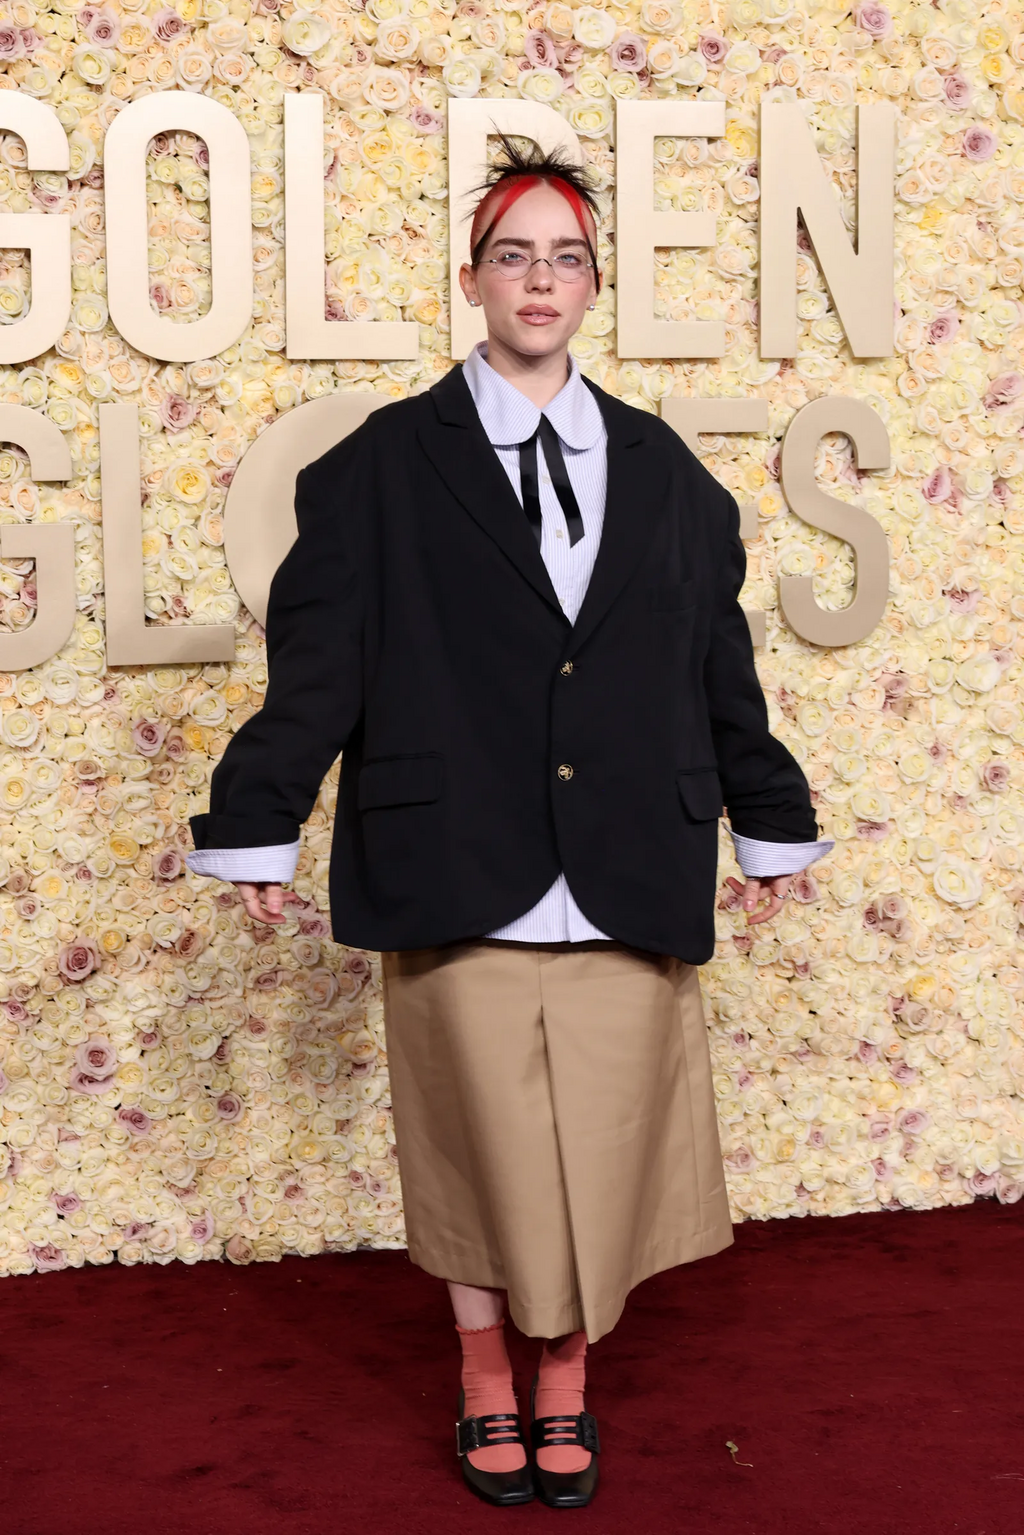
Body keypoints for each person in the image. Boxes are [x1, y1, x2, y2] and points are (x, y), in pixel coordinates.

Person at [187, 138, 832, 1510]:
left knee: (600, 1142)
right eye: (514, 253)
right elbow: (318, 665)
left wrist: (770, 821)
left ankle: (568, 1380)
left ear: (594, 284)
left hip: (629, 863)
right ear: (473, 277)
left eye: (568, 256)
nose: (541, 278)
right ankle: (488, 1371)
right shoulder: (376, 471)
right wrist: (257, 820)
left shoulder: (669, 477)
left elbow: (716, 668)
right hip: (451, 856)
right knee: (475, 1137)